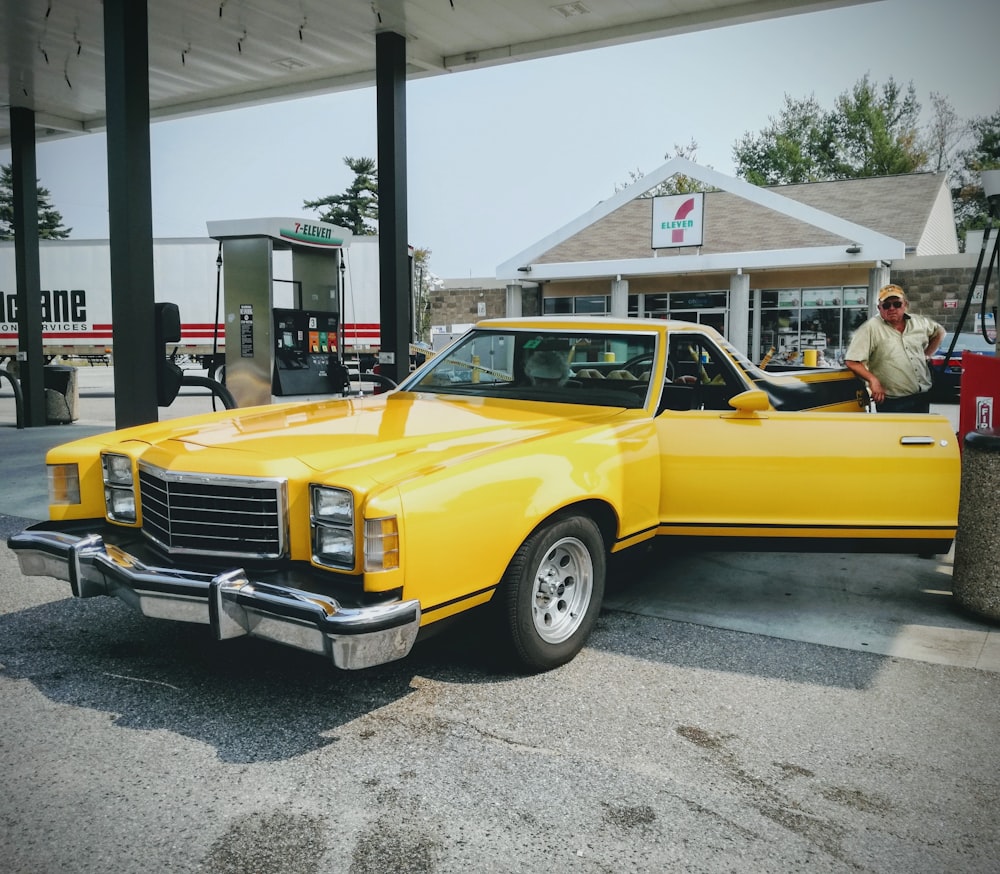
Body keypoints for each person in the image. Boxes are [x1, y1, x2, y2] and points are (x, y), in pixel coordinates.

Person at [845, 284, 944, 413]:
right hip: (893, 402)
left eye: (897, 304)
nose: (892, 308)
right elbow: (852, 361)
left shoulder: (919, 323)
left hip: (922, 396)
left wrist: (927, 354)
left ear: (905, 305)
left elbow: (940, 332)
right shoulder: (870, 328)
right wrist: (873, 381)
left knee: (919, 433)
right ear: (879, 308)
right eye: (886, 305)